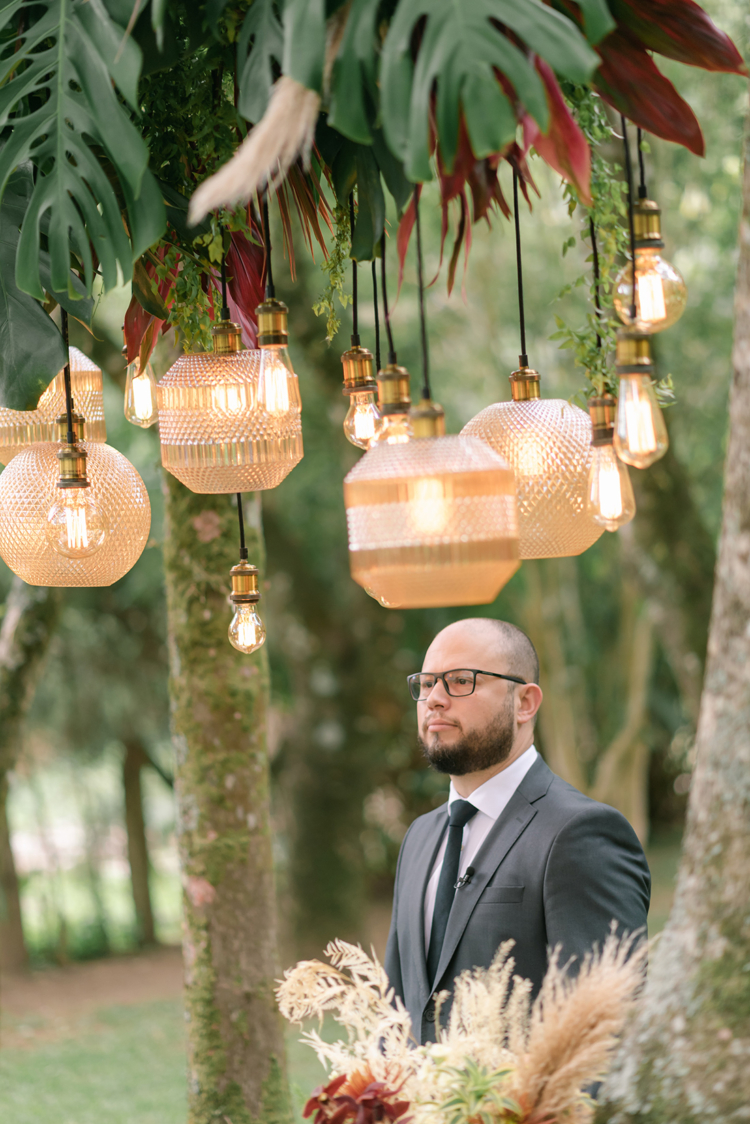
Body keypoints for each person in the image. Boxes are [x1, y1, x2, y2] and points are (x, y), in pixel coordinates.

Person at [384, 618, 651, 1045]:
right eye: (427, 683)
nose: (434, 699)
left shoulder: (582, 833)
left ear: (525, 702)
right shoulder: (419, 836)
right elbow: (395, 1011)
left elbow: (603, 1034)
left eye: (459, 681)